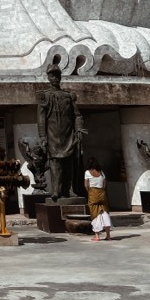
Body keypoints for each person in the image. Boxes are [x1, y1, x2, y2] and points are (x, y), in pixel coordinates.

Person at [37, 62, 86, 200]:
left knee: (69, 163)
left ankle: (69, 190)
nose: (55, 78)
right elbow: (41, 118)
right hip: (53, 134)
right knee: (55, 163)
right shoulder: (45, 96)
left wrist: (79, 129)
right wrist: (43, 136)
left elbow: (77, 115)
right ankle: (56, 190)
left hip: (68, 135)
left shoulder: (68, 96)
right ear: (48, 78)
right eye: (52, 75)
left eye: (57, 75)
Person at [84, 157, 112, 241]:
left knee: (95, 213)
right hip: (102, 193)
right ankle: (108, 235)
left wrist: (90, 192)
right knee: (105, 213)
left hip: (93, 193)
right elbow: (104, 184)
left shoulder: (87, 172)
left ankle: (97, 235)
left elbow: (86, 185)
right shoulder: (101, 172)